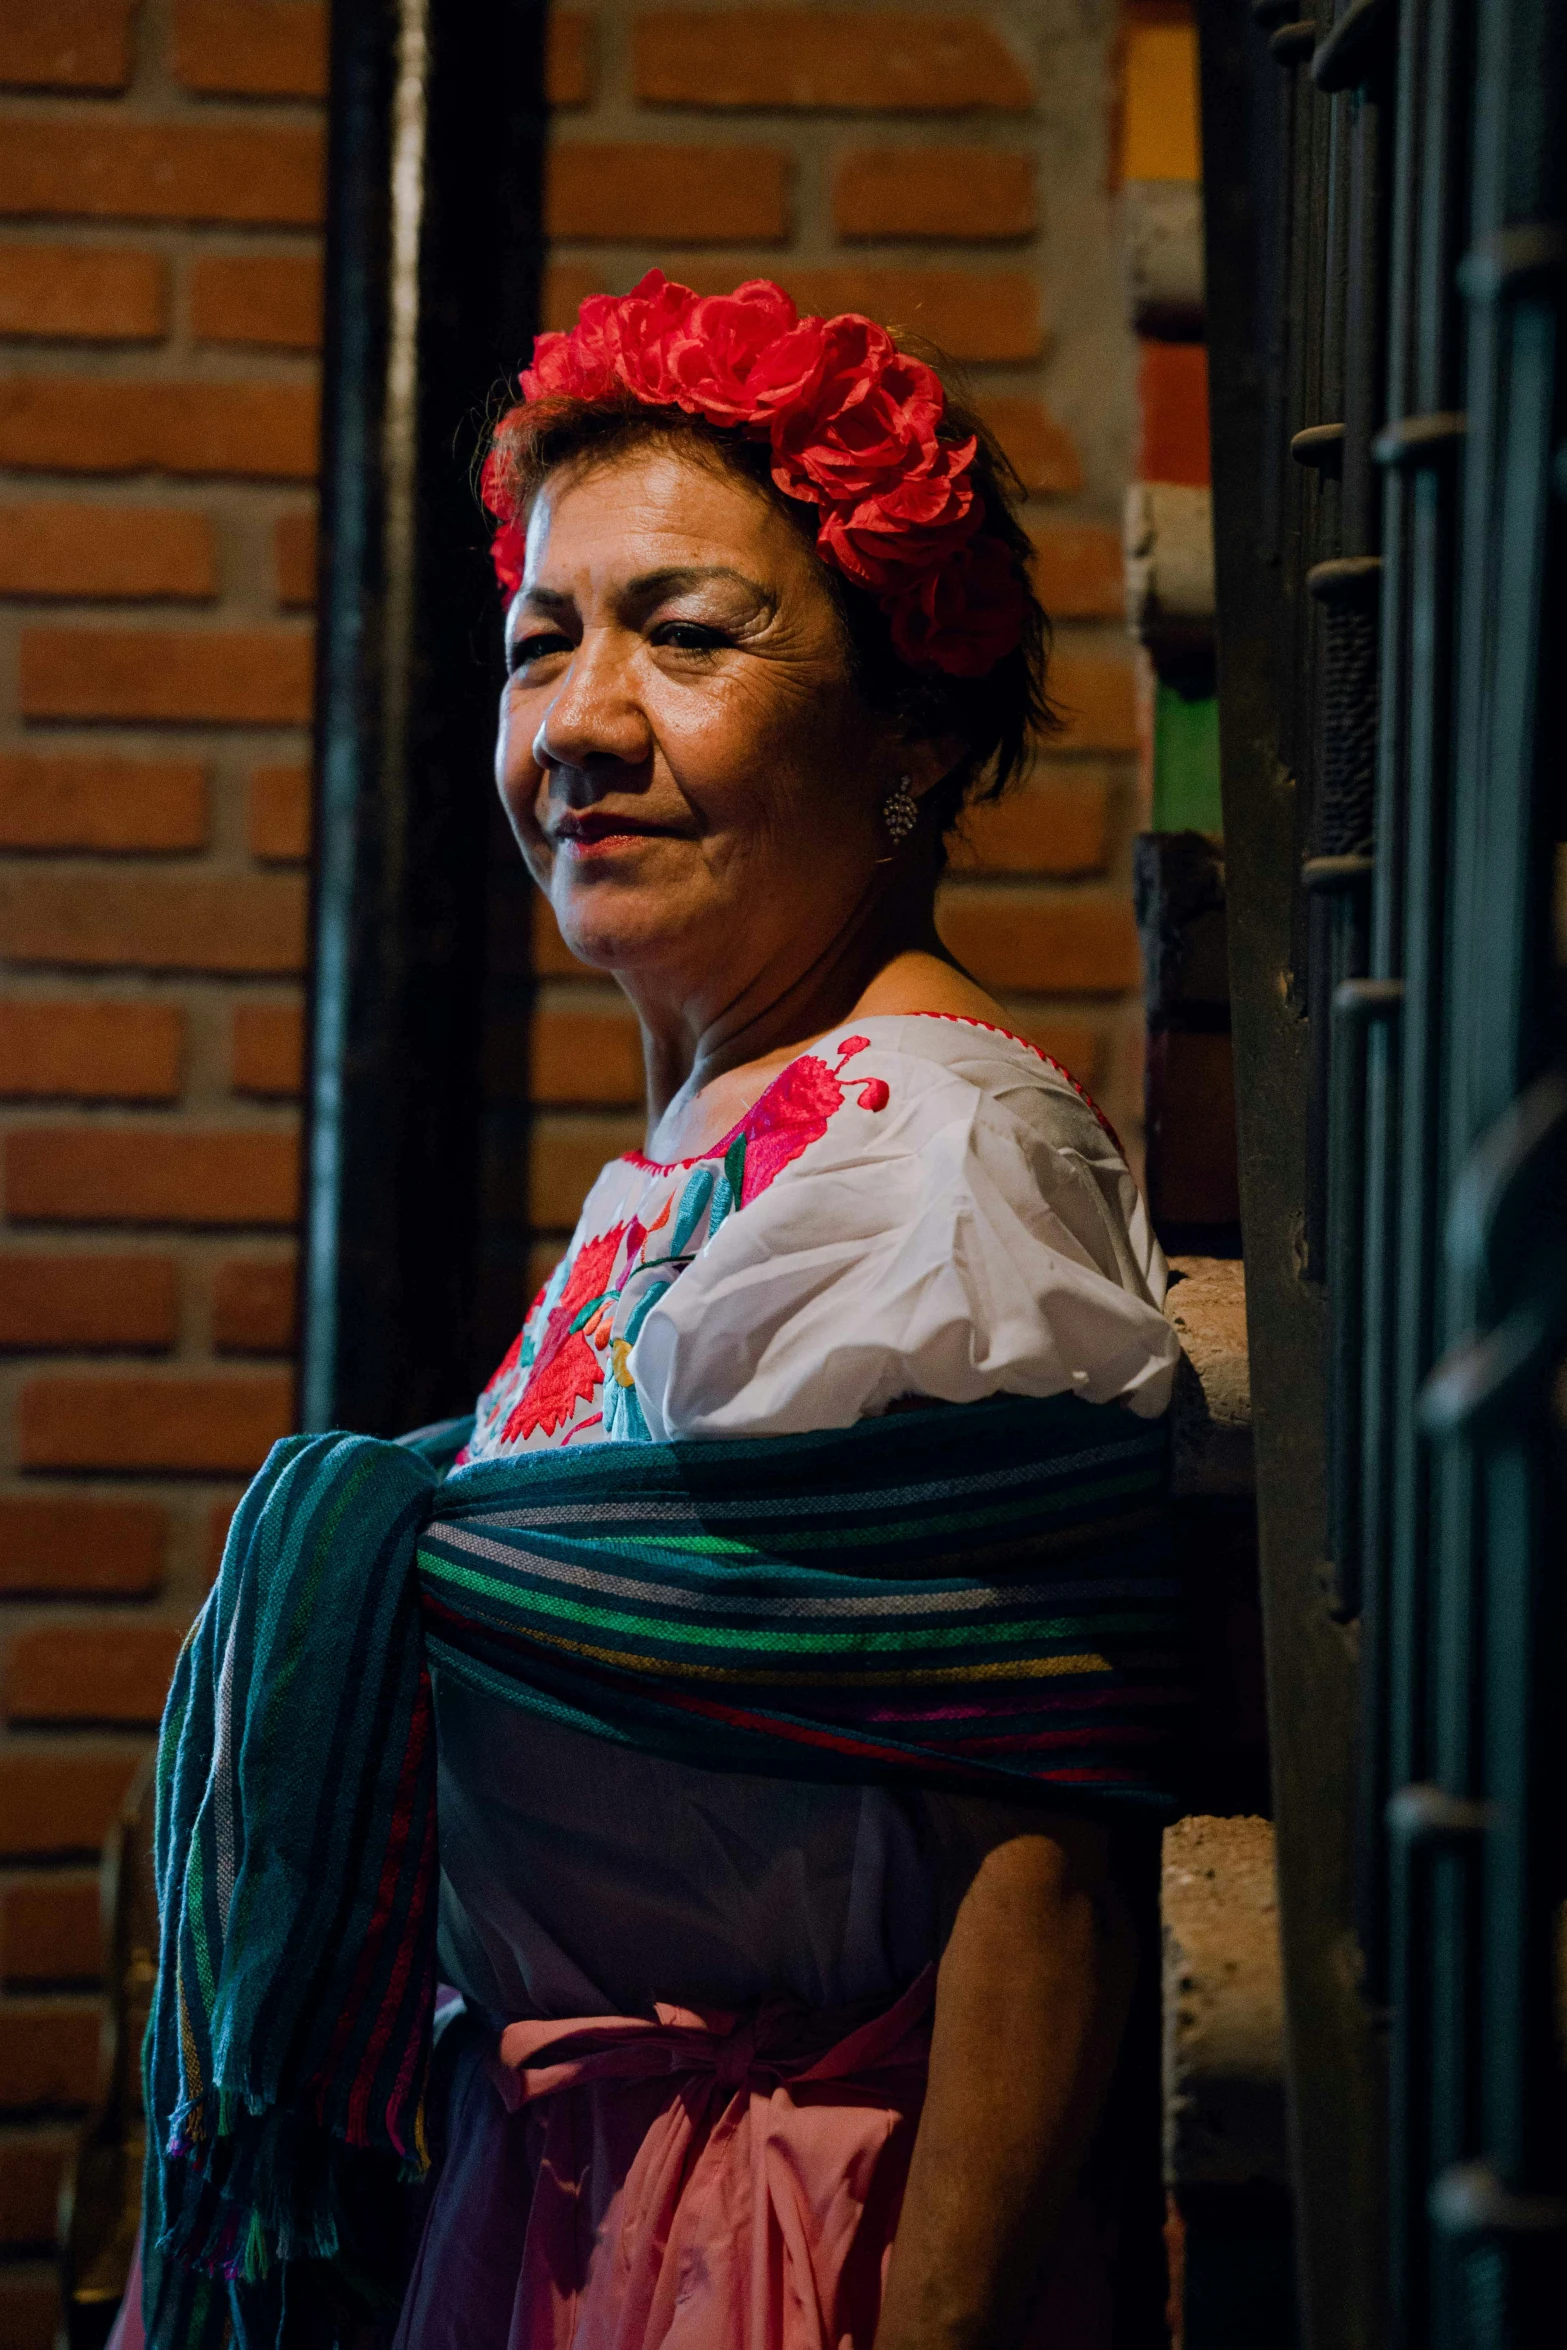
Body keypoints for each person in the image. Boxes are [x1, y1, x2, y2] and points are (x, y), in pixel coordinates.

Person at [120, 274, 1183, 2350]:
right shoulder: (734, 1134)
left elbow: (1041, 1850)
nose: (584, 720)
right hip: (598, 2195)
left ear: (918, 732)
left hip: (789, 2231)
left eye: (690, 635)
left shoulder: (921, 1168)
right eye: (544, 643)